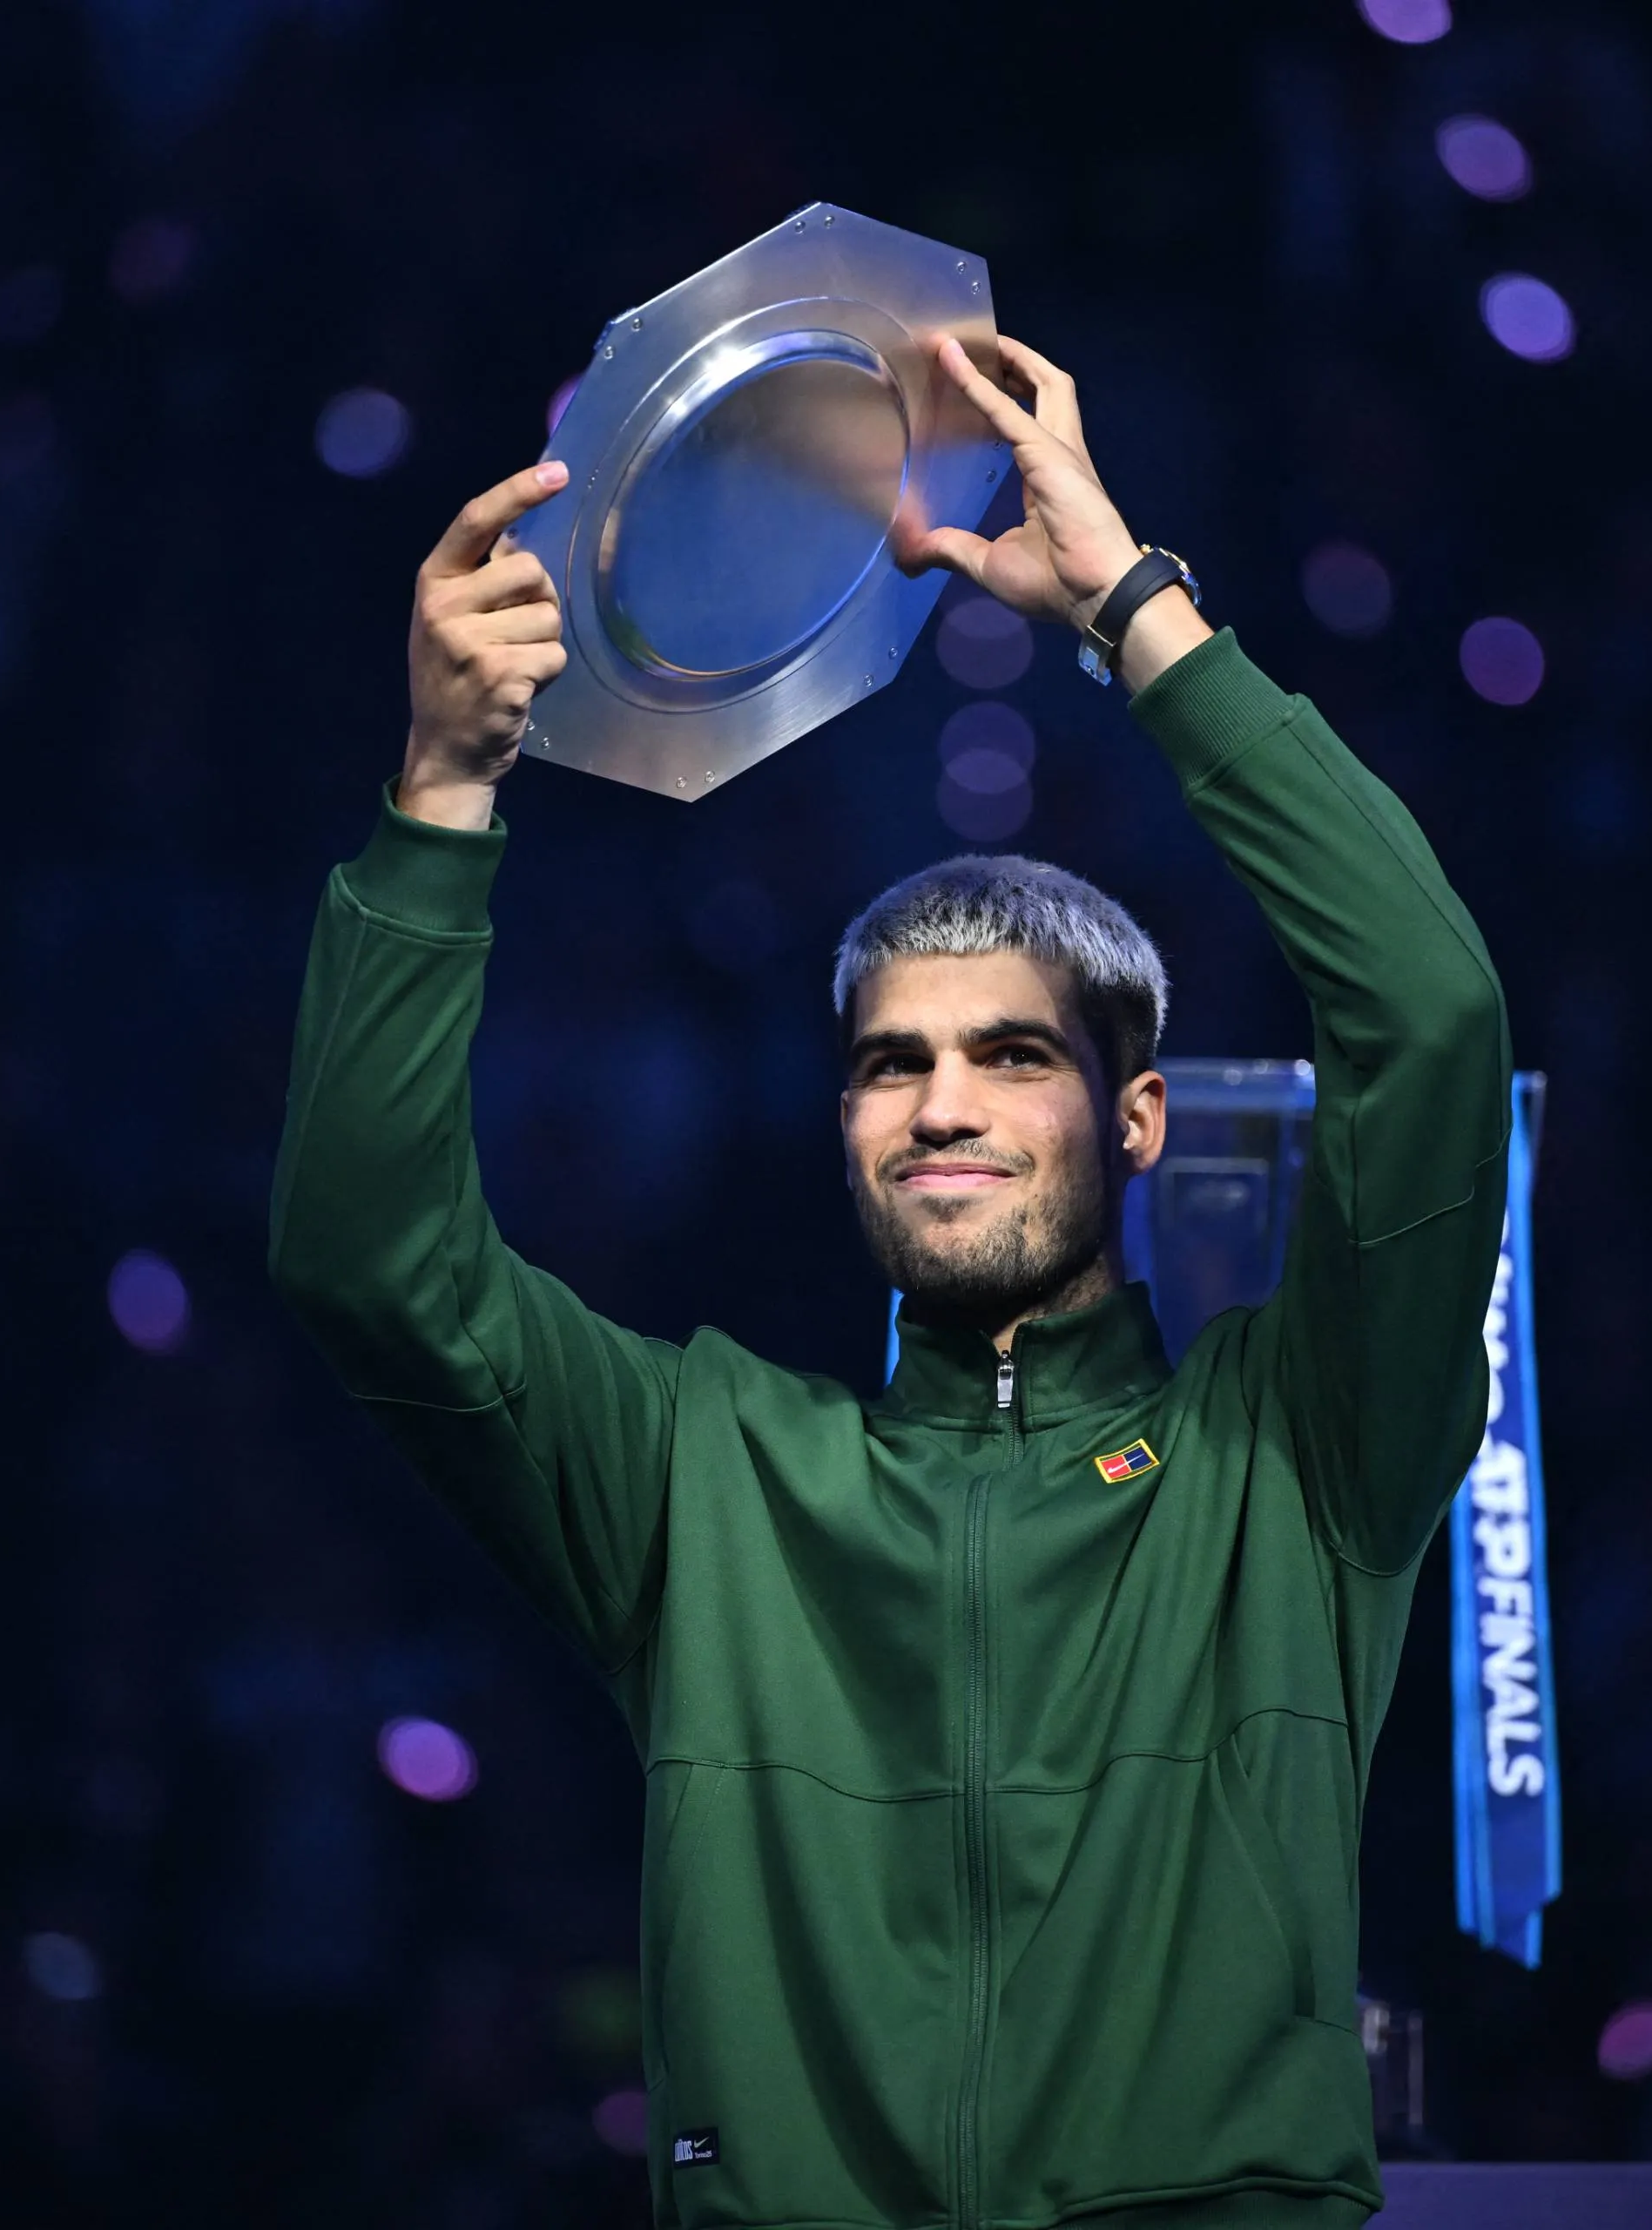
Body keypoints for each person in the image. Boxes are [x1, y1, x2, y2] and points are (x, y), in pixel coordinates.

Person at [269, 333, 1511, 2229]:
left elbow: (1430, 1020)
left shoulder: (1300, 1455)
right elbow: (365, 1255)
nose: (942, 1103)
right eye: (888, 1062)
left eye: (1014, 1055)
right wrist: (444, 786)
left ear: (1143, 1115)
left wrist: (1136, 618)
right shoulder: (708, 1475)